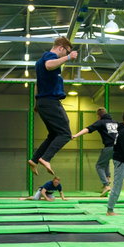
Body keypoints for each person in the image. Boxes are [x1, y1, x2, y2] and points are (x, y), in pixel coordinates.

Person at [28, 36, 78, 176]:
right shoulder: (49, 56)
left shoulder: (40, 61)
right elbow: (49, 65)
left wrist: (36, 102)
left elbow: (38, 83)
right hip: (50, 101)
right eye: (66, 52)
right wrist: (68, 58)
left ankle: (34, 159)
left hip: (44, 102)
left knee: (54, 134)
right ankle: (45, 158)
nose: (67, 54)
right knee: (65, 134)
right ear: (61, 48)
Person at [72, 108, 118, 196]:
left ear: (98, 116)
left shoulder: (101, 122)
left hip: (110, 147)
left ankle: (106, 185)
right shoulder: (115, 122)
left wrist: (76, 135)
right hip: (120, 148)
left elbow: (87, 129)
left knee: (99, 166)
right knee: (105, 160)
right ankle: (108, 177)